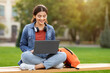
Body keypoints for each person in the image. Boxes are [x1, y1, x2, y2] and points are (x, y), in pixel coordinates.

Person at [18, 4, 67, 70]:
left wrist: (54, 50)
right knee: (24, 56)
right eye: (39, 16)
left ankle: (35, 66)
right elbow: (22, 45)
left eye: (44, 16)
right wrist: (30, 51)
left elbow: (53, 46)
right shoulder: (27, 28)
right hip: (33, 56)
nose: (42, 18)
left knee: (63, 55)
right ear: (34, 16)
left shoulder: (50, 29)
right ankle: (53, 64)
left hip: (48, 55)